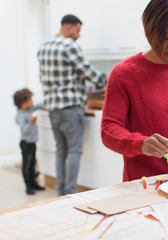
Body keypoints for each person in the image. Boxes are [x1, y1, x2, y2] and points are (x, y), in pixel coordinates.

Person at [101, 0, 168, 181]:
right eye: (165, 37)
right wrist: (141, 144)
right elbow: (109, 130)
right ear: (149, 31)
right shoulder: (124, 74)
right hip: (143, 184)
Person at [37, 14, 107, 196]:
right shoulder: (69, 46)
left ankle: (61, 190)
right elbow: (89, 73)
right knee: (74, 151)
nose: (78, 35)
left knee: (61, 150)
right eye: (78, 30)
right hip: (71, 108)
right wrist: (109, 81)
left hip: (53, 108)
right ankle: (70, 192)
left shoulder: (44, 46)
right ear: (68, 27)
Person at [13, 88, 45, 195]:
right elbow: (24, 131)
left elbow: (38, 105)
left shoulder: (30, 109)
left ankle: (34, 183)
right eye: (30, 100)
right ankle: (28, 186)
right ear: (23, 103)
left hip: (32, 143)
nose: (32, 102)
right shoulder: (21, 115)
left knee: (33, 164)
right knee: (26, 165)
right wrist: (31, 122)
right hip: (26, 144)